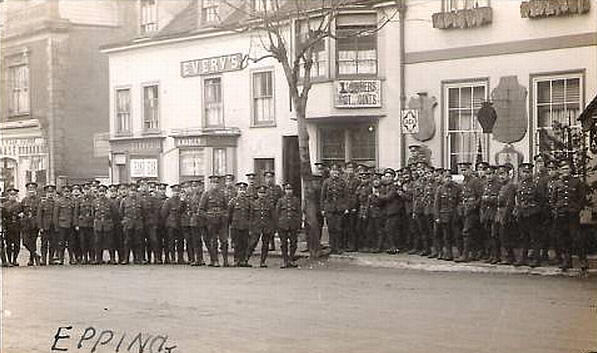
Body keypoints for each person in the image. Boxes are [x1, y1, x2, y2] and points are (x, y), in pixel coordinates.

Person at [552, 159, 587, 271]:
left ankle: (582, 260)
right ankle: (567, 260)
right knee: (563, 237)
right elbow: (553, 199)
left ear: (570, 170)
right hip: (561, 213)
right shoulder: (557, 183)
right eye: (562, 169)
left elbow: (582, 198)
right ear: (560, 171)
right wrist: (556, 208)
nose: (564, 171)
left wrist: (577, 209)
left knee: (576, 237)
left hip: (572, 214)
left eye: (566, 168)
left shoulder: (577, 182)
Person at [514, 162, 542, 267]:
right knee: (523, 236)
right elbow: (517, 198)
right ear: (521, 173)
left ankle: (536, 259)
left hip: (532, 214)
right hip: (522, 214)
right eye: (524, 172)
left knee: (534, 237)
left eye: (528, 172)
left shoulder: (535, 184)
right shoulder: (519, 184)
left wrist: (534, 210)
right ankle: (523, 258)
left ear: (531, 173)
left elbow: (541, 200)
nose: (526, 174)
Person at [455, 162, 483, 263]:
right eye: (462, 170)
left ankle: (465, 255)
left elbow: (480, 197)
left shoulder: (475, 182)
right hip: (464, 210)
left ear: (470, 170)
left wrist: (474, 206)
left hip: (472, 211)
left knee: (467, 232)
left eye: (465, 170)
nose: (463, 172)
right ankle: (473, 254)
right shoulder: (464, 182)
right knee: (469, 232)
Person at [200, 176, 228, 267]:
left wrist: (224, 215)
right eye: (213, 183)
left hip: (221, 221)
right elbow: (201, 210)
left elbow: (226, 208)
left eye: (216, 183)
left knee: (224, 241)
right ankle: (214, 260)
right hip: (211, 222)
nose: (215, 185)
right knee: (213, 241)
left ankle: (225, 261)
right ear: (210, 184)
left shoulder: (222, 194)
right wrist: (208, 216)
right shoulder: (206, 194)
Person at [320, 164, 347, 254]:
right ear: (330, 172)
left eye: (336, 171)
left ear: (339, 172)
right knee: (331, 228)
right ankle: (332, 247)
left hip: (339, 209)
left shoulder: (342, 182)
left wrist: (345, 207)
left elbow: (345, 196)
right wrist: (322, 209)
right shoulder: (326, 182)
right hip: (329, 209)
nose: (335, 172)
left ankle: (339, 247)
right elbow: (322, 197)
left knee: (339, 228)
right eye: (333, 170)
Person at [434, 169, 460, 260]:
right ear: (443, 179)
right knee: (446, 236)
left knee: (457, 235)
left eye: (449, 177)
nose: (448, 179)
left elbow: (459, 202)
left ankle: (459, 253)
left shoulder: (456, 188)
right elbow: (437, 204)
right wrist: (437, 217)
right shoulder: (440, 189)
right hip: (444, 215)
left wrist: (458, 213)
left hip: (454, 215)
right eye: (446, 177)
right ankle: (448, 254)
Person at [248, 185, 276, 267]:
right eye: (260, 193)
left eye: (263, 193)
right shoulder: (253, 204)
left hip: (267, 227)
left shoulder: (269, 204)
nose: (262, 195)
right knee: (252, 243)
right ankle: (246, 259)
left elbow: (273, 217)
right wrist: (250, 228)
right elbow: (251, 217)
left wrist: (272, 228)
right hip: (256, 227)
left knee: (265, 245)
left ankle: (263, 261)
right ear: (257, 193)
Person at [276, 182, 301, 268]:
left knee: (294, 243)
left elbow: (299, 213)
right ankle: (285, 260)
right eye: (287, 189)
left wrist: (299, 224)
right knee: (284, 243)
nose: (289, 191)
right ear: (284, 190)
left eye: (290, 189)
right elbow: (277, 213)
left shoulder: (296, 200)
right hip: (283, 225)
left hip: (293, 224)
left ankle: (291, 259)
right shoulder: (280, 201)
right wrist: (277, 224)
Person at [495, 165, 517, 265]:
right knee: (500, 236)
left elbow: (509, 203)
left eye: (503, 174)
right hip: (500, 214)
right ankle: (505, 256)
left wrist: (505, 216)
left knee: (506, 236)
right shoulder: (502, 186)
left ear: (509, 175)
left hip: (506, 215)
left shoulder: (511, 186)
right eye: (499, 174)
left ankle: (510, 257)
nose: (501, 177)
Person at [228, 181, 252, 267]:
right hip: (236, 225)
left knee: (245, 243)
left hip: (245, 226)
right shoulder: (233, 201)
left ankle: (243, 260)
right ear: (237, 190)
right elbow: (229, 214)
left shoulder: (248, 202)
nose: (242, 191)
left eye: (244, 190)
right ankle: (236, 260)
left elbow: (250, 214)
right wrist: (231, 225)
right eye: (240, 189)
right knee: (236, 243)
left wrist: (249, 225)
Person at [92, 185, 118, 265]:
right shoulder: (95, 202)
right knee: (97, 242)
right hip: (98, 224)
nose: (101, 193)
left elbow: (114, 214)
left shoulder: (110, 202)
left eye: (103, 192)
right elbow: (93, 214)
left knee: (110, 242)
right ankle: (98, 259)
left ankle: (112, 259)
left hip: (108, 224)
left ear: (106, 192)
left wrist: (111, 223)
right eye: (100, 191)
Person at [120, 184, 145, 264]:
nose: (132, 193)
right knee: (127, 242)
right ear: (128, 191)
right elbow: (121, 213)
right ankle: (126, 259)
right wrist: (125, 221)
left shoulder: (141, 200)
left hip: (138, 223)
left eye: (134, 191)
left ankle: (139, 259)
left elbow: (144, 213)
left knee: (138, 241)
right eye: (131, 191)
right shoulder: (124, 200)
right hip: (128, 223)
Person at [379, 168, 401, 254]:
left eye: (390, 176)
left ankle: (394, 247)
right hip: (387, 211)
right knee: (388, 229)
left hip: (394, 211)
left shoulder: (394, 186)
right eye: (386, 176)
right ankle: (391, 246)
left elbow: (388, 197)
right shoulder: (385, 186)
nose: (388, 178)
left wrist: (378, 195)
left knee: (391, 229)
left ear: (393, 177)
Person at [161, 184, 183, 264]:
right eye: (175, 191)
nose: (176, 193)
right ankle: (172, 258)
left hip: (180, 224)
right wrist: (166, 223)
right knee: (171, 242)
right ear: (172, 192)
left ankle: (180, 258)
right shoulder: (168, 201)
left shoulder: (182, 201)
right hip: (170, 224)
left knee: (180, 242)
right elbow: (164, 213)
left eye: (178, 191)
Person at [21, 182, 41, 266]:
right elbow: (20, 210)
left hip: (34, 223)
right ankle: (35, 255)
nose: (31, 191)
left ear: (35, 190)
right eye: (29, 189)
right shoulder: (24, 200)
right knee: (25, 242)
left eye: (33, 189)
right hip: (26, 223)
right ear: (27, 190)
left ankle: (31, 259)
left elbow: (40, 213)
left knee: (33, 241)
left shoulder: (39, 200)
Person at [74, 183, 95, 265]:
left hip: (91, 224)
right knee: (82, 242)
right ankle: (84, 258)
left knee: (91, 242)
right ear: (82, 190)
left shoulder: (93, 199)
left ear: (90, 190)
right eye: (85, 189)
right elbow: (76, 213)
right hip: (82, 224)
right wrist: (76, 224)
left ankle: (92, 258)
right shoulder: (79, 200)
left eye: (88, 189)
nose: (86, 191)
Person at [37, 184, 57, 266]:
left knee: (53, 243)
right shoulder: (42, 203)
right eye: (49, 192)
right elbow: (39, 216)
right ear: (46, 193)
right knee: (44, 243)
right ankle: (43, 259)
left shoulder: (56, 203)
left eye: (52, 192)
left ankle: (51, 259)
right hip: (45, 226)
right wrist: (40, 227)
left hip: (54, 226)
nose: (50, 194)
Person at [343, 162, 360, 252]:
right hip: (344, 207)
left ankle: (352, 245)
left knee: (352, 226)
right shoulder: (343, 180)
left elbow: (355, 195)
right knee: (344, 226)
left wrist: (353, 207)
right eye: (348, 168)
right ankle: (344, 244)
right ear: (345, 170)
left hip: (353, 207)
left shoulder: (357, 181)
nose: (350, 171)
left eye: (352, 169)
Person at [3, 188, 23, 266]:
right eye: (11, 195)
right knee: (8, 244)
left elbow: (22, 214)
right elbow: (3, 216)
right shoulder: (4, 205)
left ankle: (15, 259)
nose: (12, 196)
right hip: (8, 226)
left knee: (17, 244)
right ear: (8, 195)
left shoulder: (19, 204)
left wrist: (21, 215)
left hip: (17, 226)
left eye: (14, 195)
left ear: (16, 196)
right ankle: (9, 260)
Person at [264, 171, 282, 251]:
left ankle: (283, 244)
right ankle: (271, 245)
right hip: (267, 212)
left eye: (270, 177)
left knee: (279, 228)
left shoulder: (277, 188)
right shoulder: (262, 189)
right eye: (267, 177)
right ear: (265, 179)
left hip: (276, 211)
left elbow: (281, 199)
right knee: (268, 229)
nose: (269, 179)